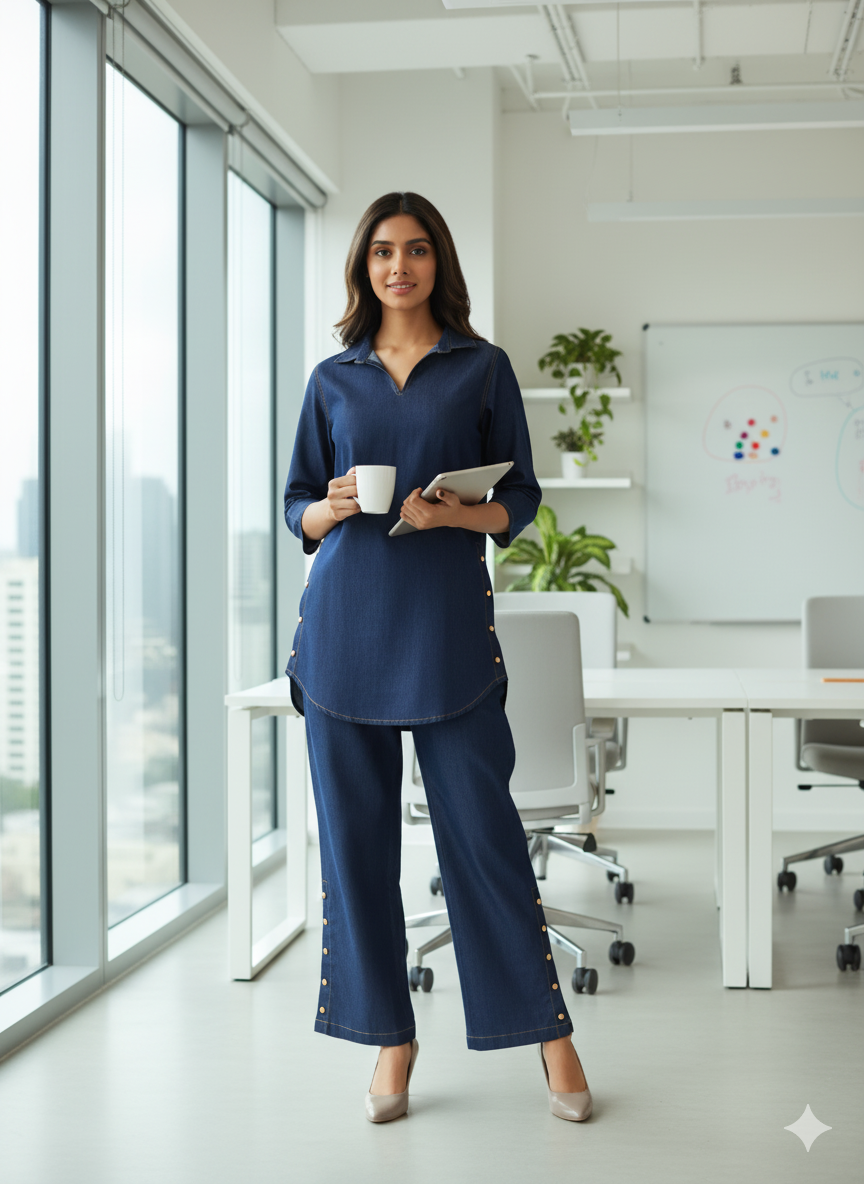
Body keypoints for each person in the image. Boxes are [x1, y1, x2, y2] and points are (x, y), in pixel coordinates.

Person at [283, 191, 592, 1124]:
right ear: (363, 267)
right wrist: (332, 508)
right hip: (341, 636)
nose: (398, 267)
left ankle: (551, 1035)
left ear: (437, 263)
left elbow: (521, 502)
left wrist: (458, 514)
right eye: (381, 251)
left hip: (450, 638)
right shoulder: (332, 378)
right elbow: (295, 506)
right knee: (356, 852)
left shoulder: (481, 368)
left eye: (415, 251)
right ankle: (391, 1040)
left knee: (488, 845)